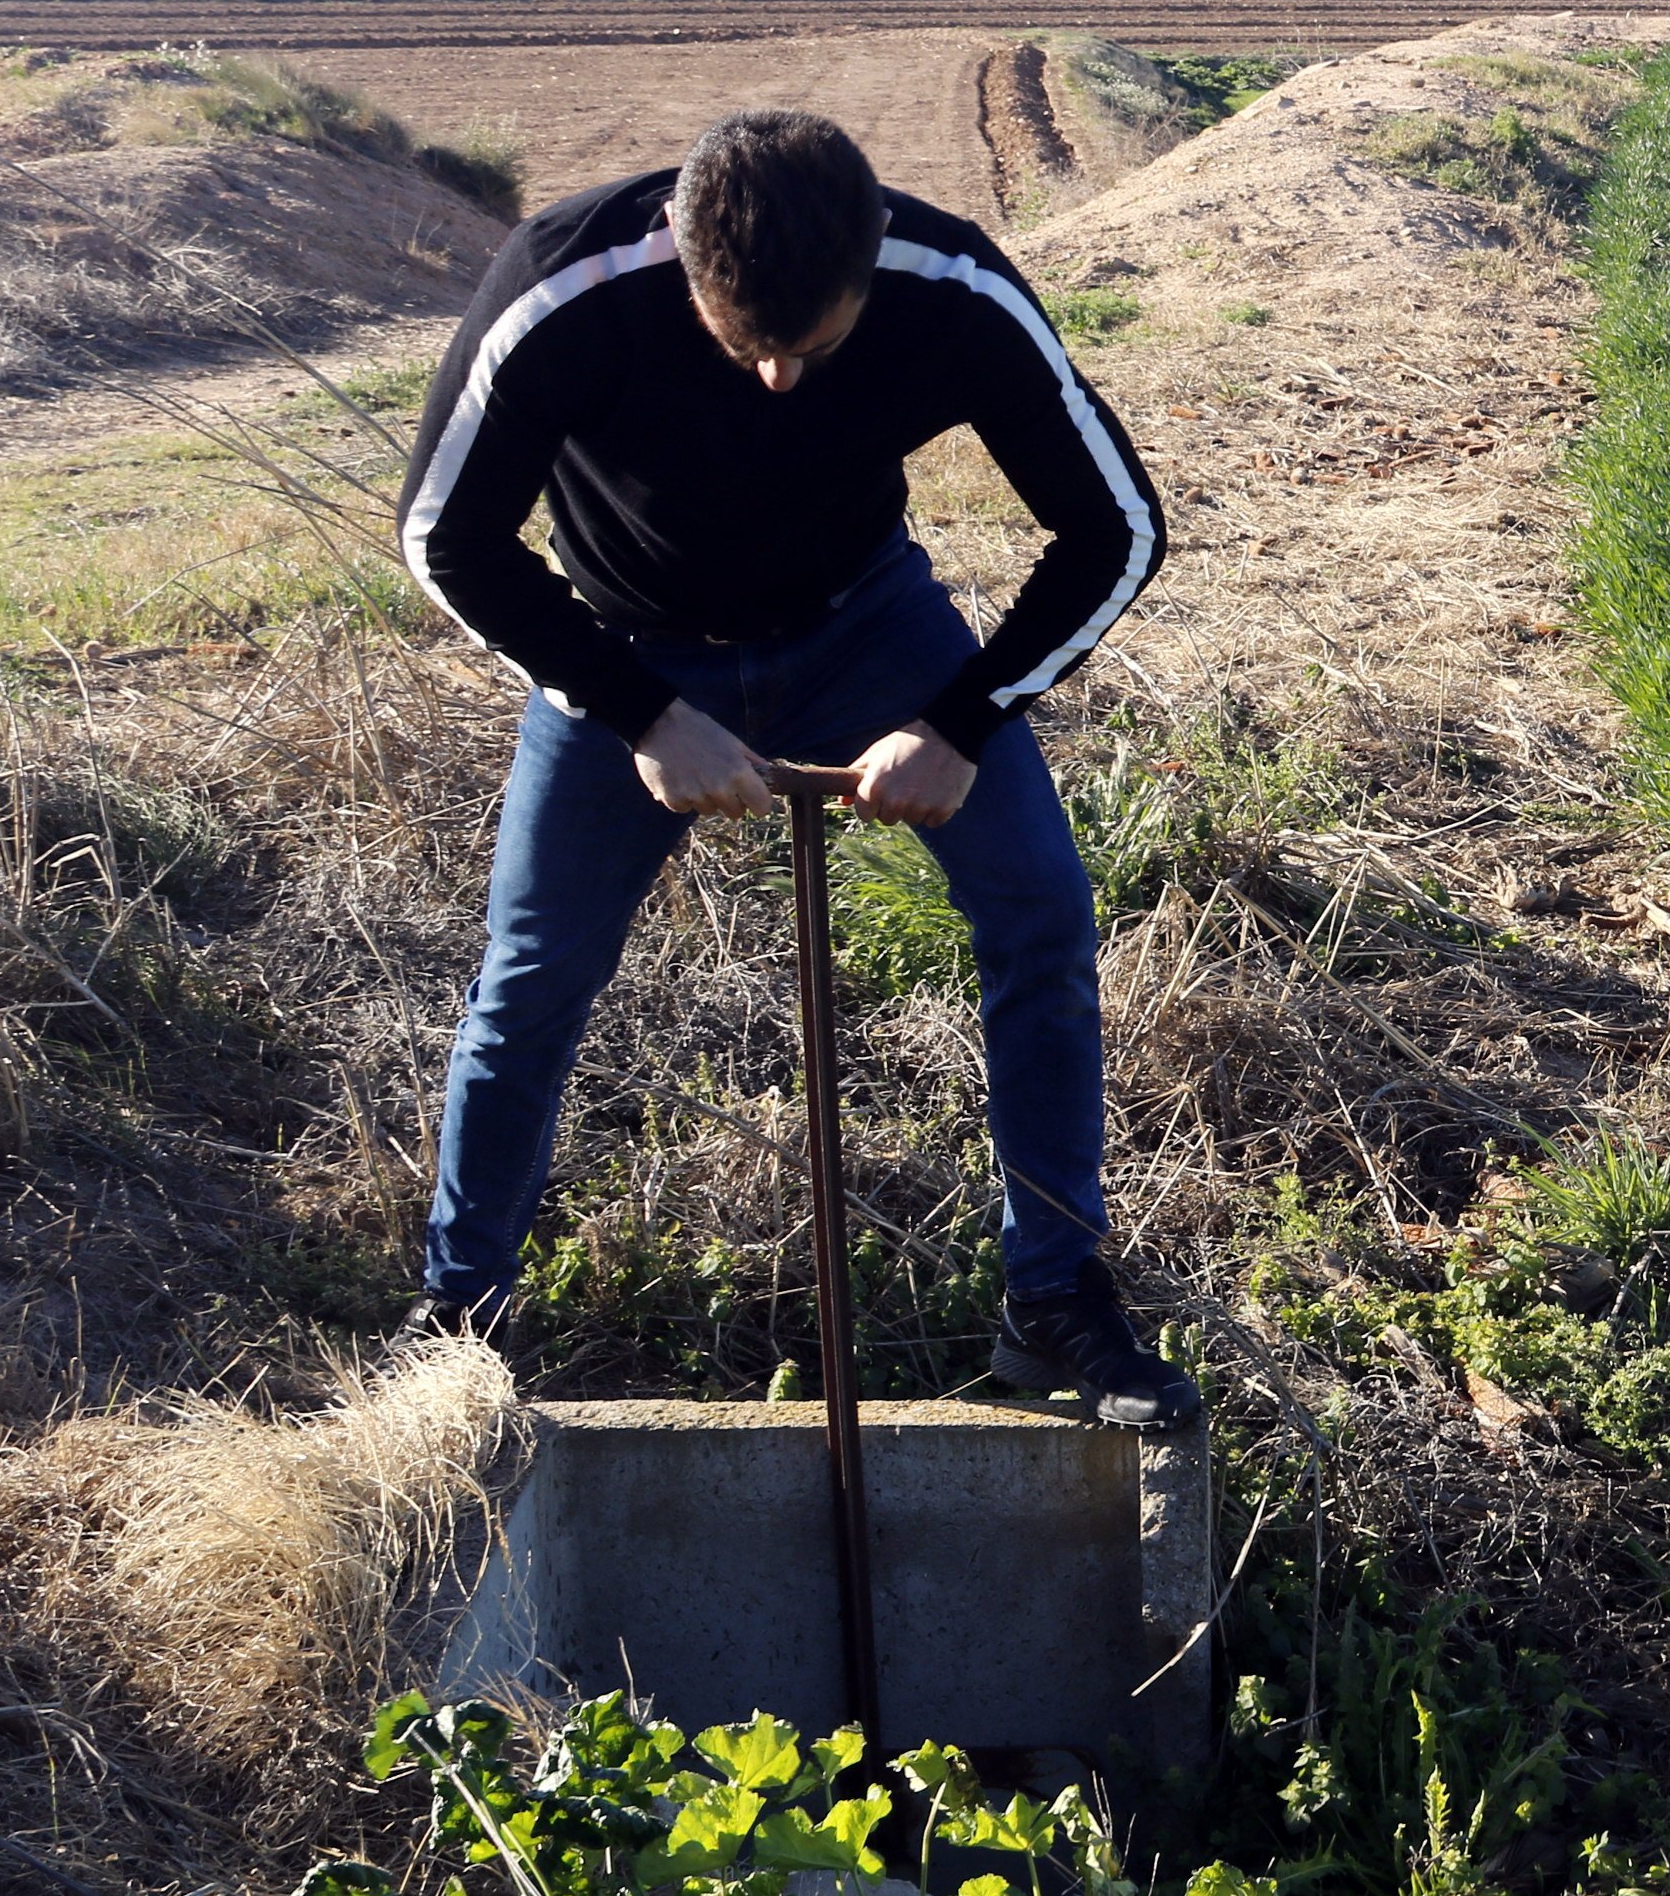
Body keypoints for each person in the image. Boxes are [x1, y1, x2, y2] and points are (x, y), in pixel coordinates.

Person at [395, 106, 1198, 1426]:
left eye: (811, 347)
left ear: (870, 266)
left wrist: (961, 721)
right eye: (740, 345)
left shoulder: (951, 290)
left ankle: (1053, 1297)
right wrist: (641, 713)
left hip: (863, 629)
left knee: (1042, 914)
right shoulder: (568, 288)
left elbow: (1115, 525)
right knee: (531, 976)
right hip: (627, 651)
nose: (776, 381)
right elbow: (445, 538)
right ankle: (459, 1316)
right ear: (681, 261)